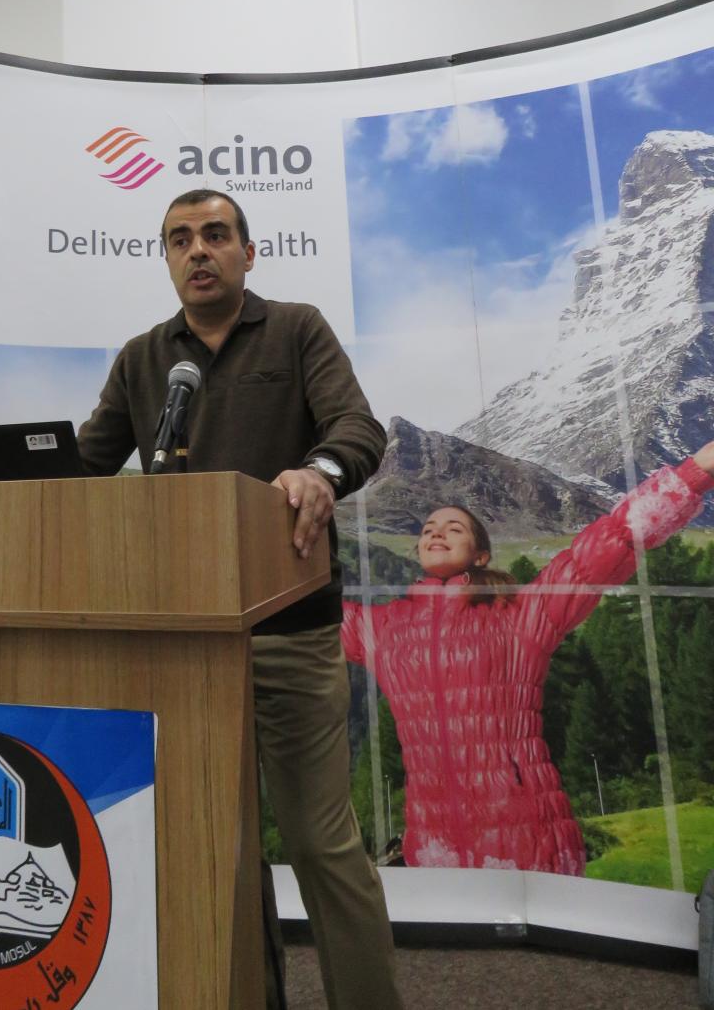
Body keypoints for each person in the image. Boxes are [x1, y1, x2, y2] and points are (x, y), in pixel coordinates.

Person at [77, 189, 404, 1010]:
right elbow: (82, 469)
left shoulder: (296, 329)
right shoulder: (143, 358)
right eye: (180, 239)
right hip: (182, 642)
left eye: (216, 235)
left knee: (321, 843)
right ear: (166, 258)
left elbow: (358, 430)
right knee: (213, 848)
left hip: (288, 631)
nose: (198, 250)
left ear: (248, 253)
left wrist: (318, 471)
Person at [341, 443, 714, 875]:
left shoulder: (521, 613)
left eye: (454, 528)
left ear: (481, 555)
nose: (436, 533)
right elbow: (305, 615)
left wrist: (695, 472)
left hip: (529, 839)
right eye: (427, 530)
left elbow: (606, 547)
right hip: (433, 847)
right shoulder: (383, 628)